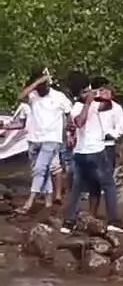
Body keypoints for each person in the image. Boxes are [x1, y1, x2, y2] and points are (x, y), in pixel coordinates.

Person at [61, 78, 123, 234]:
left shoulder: (95, 104)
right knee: (89, 187)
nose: (88, 94)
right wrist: (88, 104)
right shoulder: (76, 107)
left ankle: (72, 221)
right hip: (87, 152)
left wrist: (105, 95)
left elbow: (108, 105)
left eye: (88, 90)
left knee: (101, 185)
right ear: (78, 95)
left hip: (94, 150)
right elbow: (79, 122)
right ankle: (71, 221)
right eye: (84, 92)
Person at [17, 69, 72, 213]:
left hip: (51, 139)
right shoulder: (33, 95)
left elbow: (69, 113)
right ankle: (48, 202)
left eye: (43, 85)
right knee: (44, 172)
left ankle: (30, 201)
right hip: (34, 139)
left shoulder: (59, 97)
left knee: (39, 170)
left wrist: (69, 133)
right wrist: (37, 83)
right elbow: (20, 97)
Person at [88, 77, 123, 217]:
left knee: (107, 181)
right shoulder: (92, 106)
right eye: (99, 89)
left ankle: (112, 216)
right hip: (92, 146)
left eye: (103, 89)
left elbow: (120, 128)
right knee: (93, 182)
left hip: (107, 146)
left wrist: (110, 134)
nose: (101, 92)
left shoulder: (116, 108)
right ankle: (92, 214)